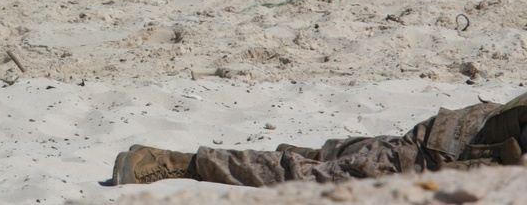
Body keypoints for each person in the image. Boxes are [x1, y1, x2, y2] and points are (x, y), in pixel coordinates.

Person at [111, 91, 527, 186]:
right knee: (312, 179)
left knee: (344, 158)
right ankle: (170, 160)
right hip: (437, 154)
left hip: (449, 138)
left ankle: (307, 155)